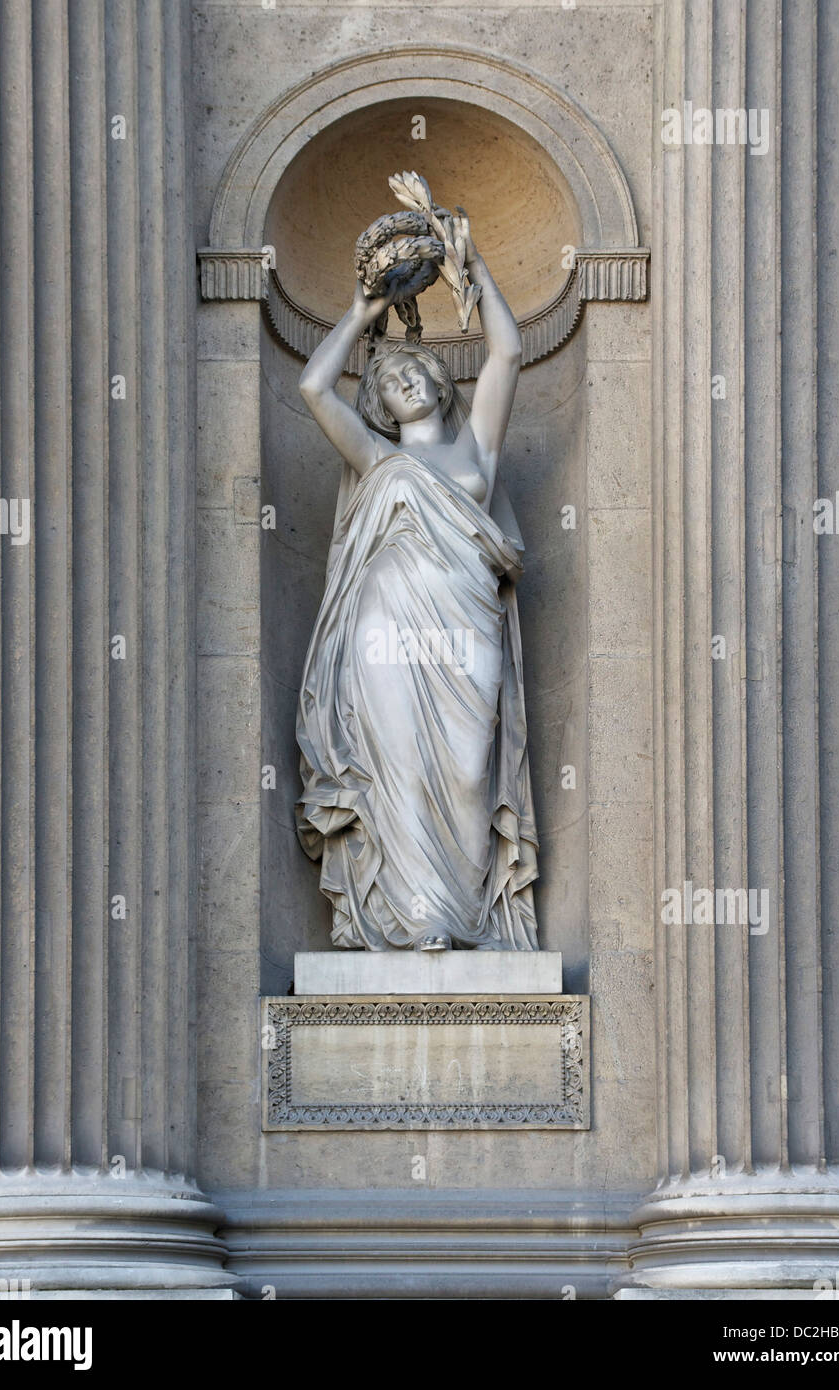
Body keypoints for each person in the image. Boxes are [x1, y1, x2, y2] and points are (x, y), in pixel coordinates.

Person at [295, 218, 538, 951]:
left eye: (416, 371)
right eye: (389, 380)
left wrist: (474, 265)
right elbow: (312, 385)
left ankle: (464, 915)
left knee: (468, 769)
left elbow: (508, 351)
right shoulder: (375, 457)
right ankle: (413, 918)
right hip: (385, 622)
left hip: (463, 621)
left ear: (439, 380)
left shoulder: (476, 451)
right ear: (379, 406)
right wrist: (365, 311)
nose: (405, 378)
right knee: (394, 761)